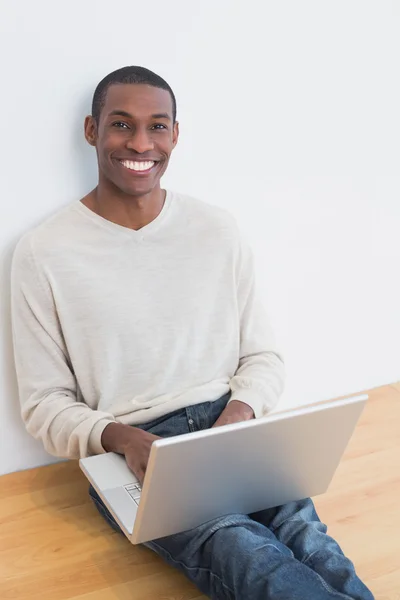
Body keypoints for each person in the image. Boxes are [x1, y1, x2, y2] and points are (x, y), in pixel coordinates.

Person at [11, 66, 374, 600]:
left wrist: (238, 417)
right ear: (92, 130)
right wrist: (126, 439)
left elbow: (263, 357)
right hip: (132, 450)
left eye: (158, 126)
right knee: (247, 553)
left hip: (231, 427)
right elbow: (44, 403)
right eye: (121, 124)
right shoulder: (43, 252)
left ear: (176, 136)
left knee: (310, 541)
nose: (140, 143)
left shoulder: (216, 228)